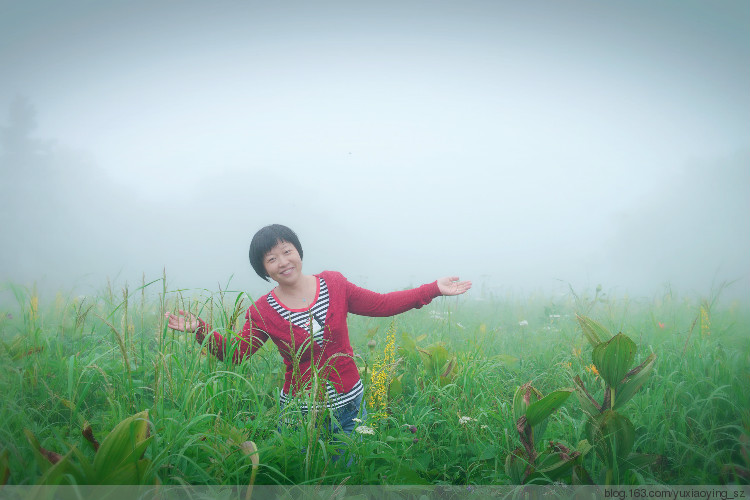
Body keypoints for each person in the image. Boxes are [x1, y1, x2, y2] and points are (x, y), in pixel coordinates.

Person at [165, 224, 471, 439]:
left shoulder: (333, 284)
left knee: (348, 477)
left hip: (349, 406)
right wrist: (200, 330)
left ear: (298, 251)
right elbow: (238, 354)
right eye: (271, 259)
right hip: (300, 414)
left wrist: (433, 289)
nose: (283, 262)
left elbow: (382, 304)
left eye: (287, 251)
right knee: (307, 481)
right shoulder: (262, 310)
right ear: (263, 269)